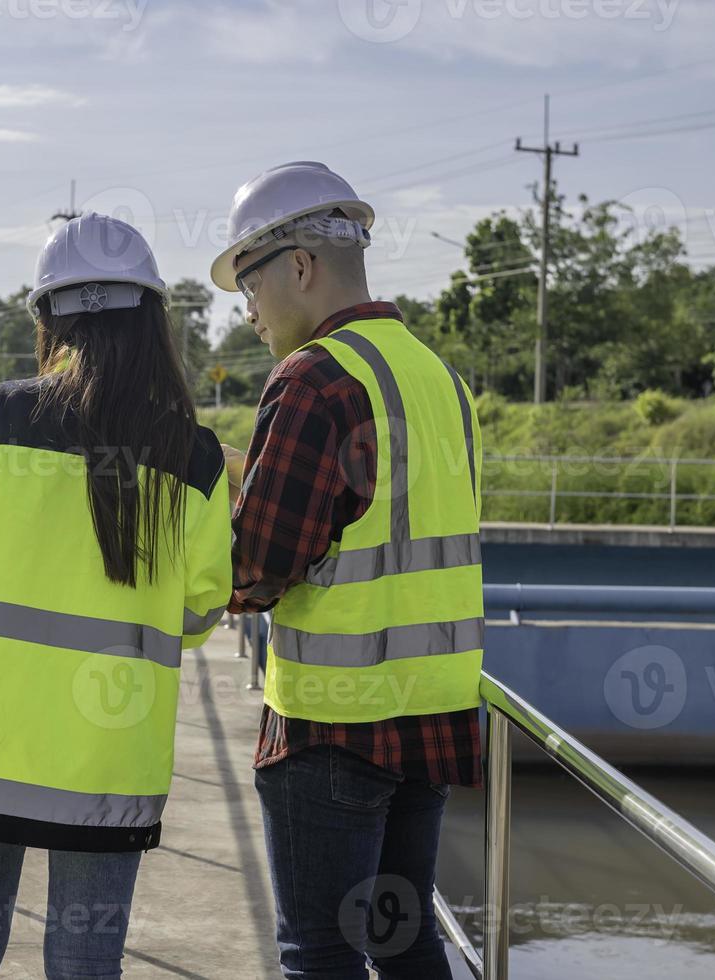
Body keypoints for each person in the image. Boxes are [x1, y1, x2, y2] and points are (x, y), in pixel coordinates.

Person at [0, 212, 233, 979]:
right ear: (153, 321)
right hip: (107, 761)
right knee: (85, 962)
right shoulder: (192, 456)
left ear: (47, 318)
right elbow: (197, 613)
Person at [211, 162, 485, 979]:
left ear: (299, 266)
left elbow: (255, 571)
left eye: (249, 285)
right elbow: (376, 516)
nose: (249, 312)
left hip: (334, 727)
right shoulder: (437, 377)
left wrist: (213, 516)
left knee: (319, 949)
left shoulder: (312, 380)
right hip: (429, 713)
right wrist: (248, 470)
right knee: (405, 943)